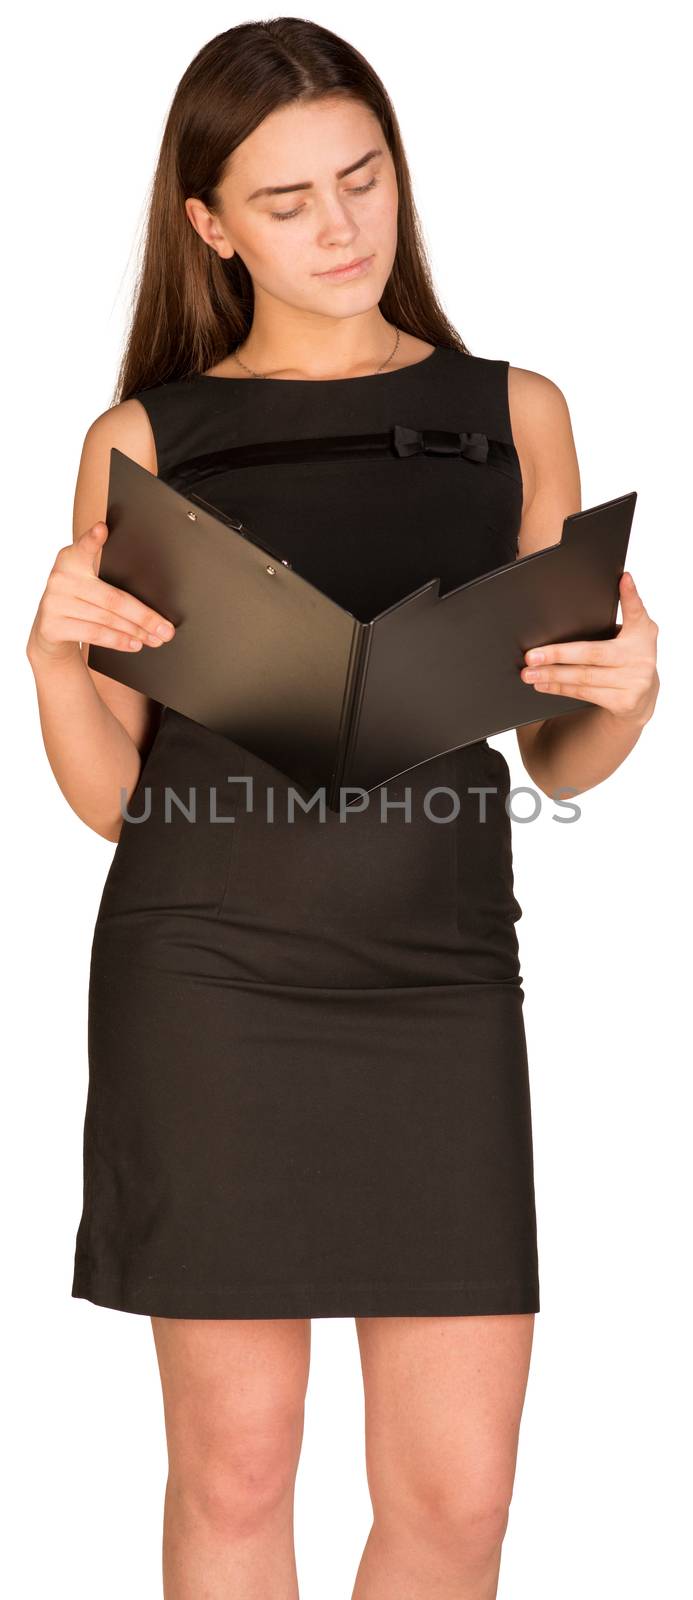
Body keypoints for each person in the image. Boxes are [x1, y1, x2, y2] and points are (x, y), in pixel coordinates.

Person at [25, 18, 659, 1600]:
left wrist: (629, 697)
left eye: (362, 179)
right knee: (235, 1478)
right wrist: (49, 661)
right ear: (210, 226)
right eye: (288, 199)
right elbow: (117, 801)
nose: (339, 228)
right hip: (210, 980)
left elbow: (553, 761)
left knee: (459, 1501)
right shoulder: (144, 445)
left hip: (438, 989)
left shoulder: (512, 411)